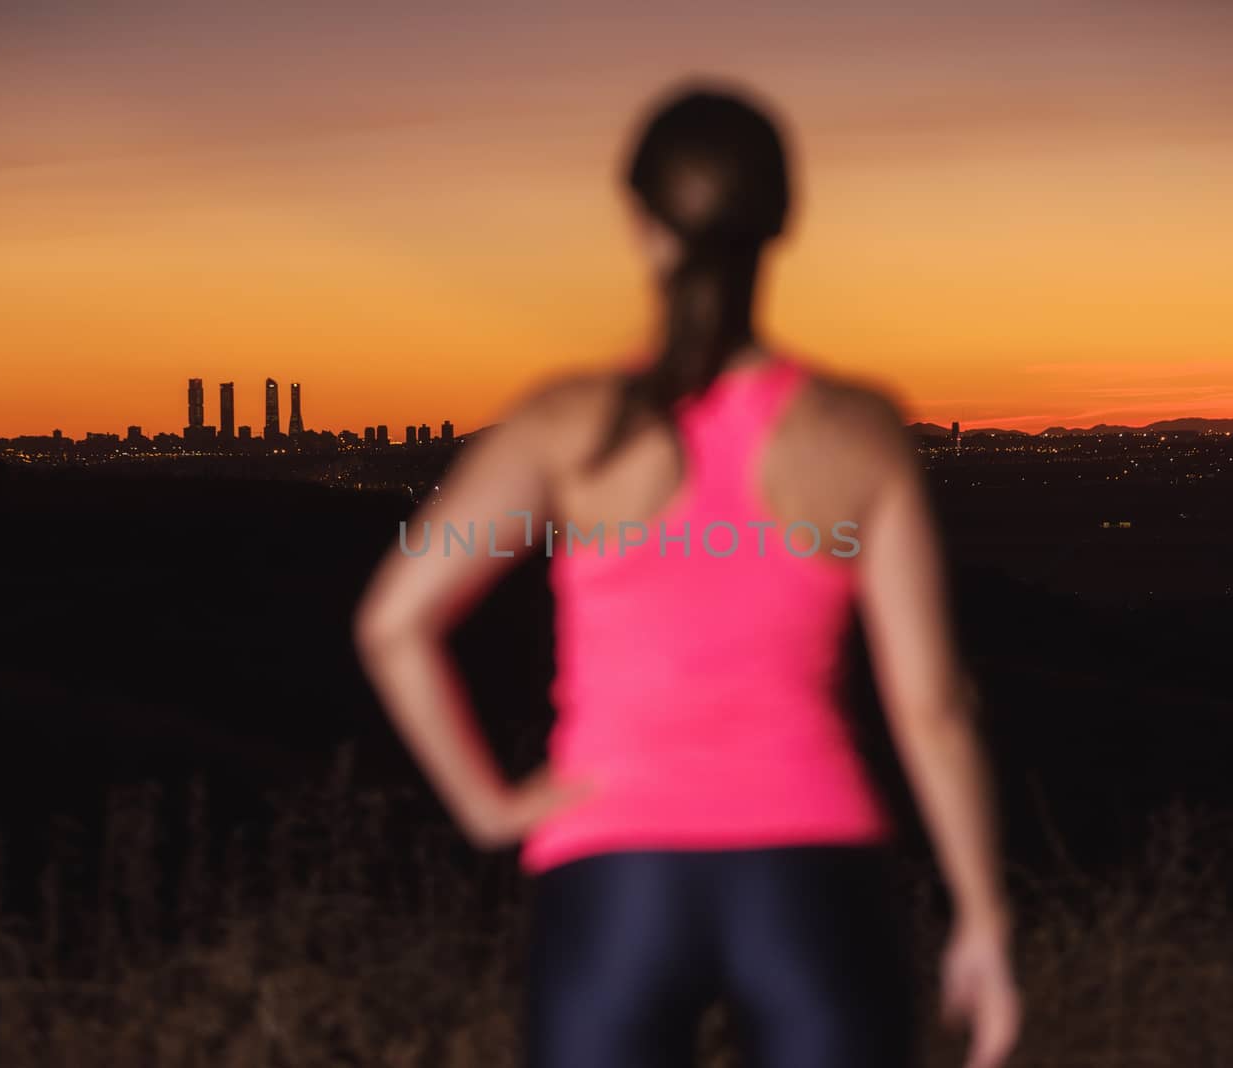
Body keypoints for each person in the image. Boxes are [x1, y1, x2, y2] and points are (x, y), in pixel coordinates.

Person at [356, 78, 1020, 1068]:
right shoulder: (857, 435)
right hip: (810, 874)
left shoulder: (563, 427)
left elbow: (393, 623)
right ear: (782, 222)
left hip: (614, 877)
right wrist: (983, 920)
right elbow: (931, 704)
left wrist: (490, 808)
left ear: (640, 225)